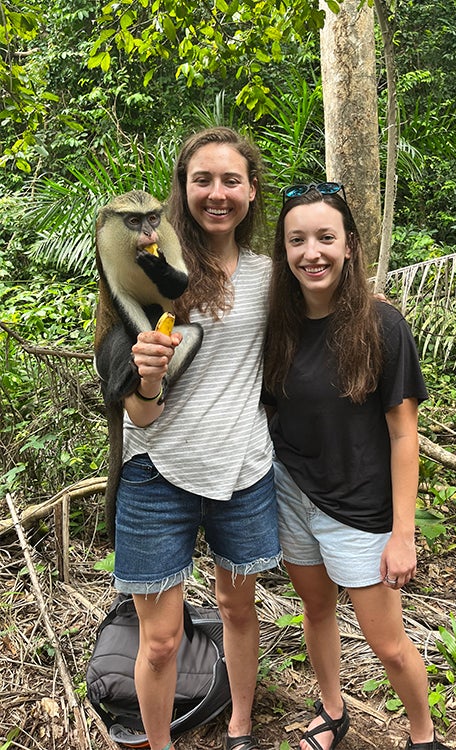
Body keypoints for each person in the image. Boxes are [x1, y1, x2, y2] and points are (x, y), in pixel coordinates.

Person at [262, 183, 452, 750]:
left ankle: (423, 736)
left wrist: (403, 534)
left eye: (325, 237)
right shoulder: (276, 326)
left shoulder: (382, 326)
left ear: (349, 246)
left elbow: (402, 433)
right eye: (297, 240)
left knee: (388, 643)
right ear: (284, 251)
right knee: (316, 612)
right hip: (291, 494)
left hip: (360, 509)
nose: (311, 252)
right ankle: (333, 710)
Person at [113, 127, 281, 750]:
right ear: (182, 189)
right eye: (202, 179)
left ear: (251, 190)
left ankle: (239, 726)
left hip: (243, 468)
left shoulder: (271, 275)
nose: (217, 193)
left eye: (230, 180)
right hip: (158, 469)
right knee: (159, 639)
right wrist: (148, 379)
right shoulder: (152, 272)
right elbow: (140, 411)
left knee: (239, 610)